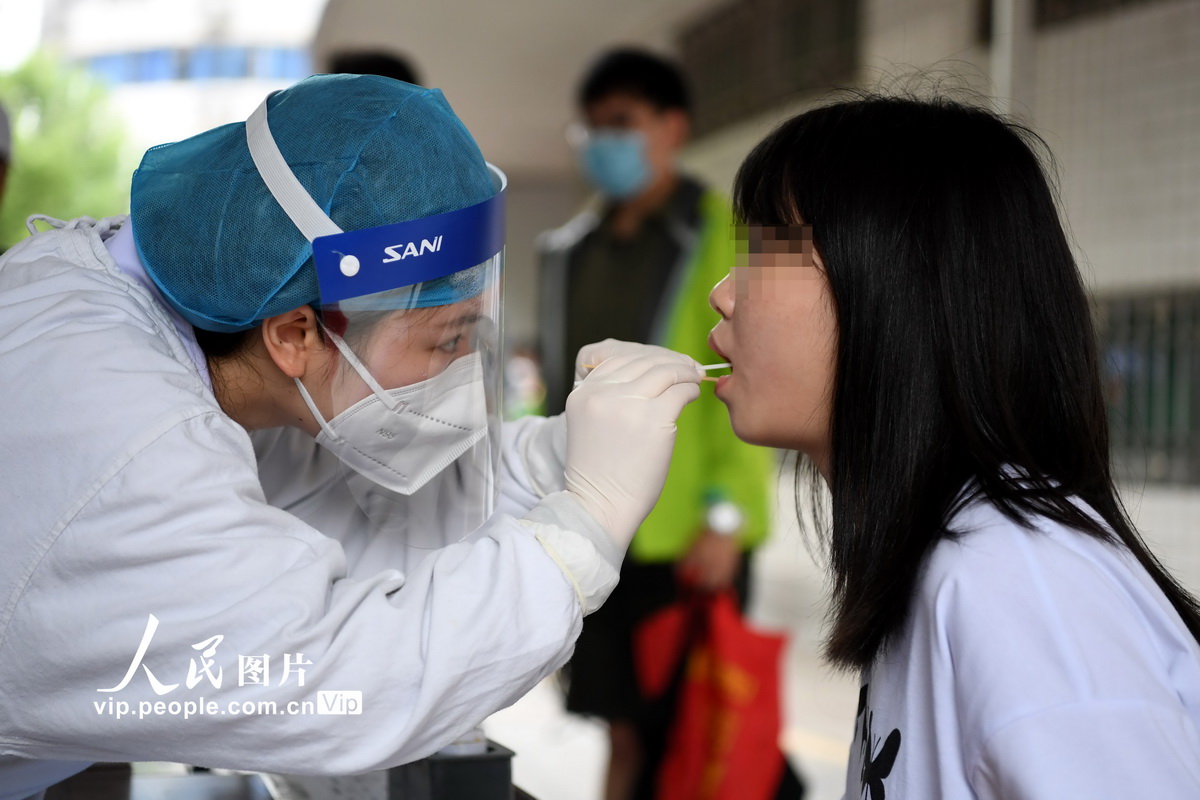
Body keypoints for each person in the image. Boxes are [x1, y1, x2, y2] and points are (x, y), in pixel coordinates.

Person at [0, 74, 706, 798]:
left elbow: (365, 516)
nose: (465, 368)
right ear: (295, 334)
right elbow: (341, 680)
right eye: (446, 340)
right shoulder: (124, 445)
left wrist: (562, 456)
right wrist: (581, 531)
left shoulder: (222, 342)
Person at [707, 94, 1200, 797]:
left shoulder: (1019, 580)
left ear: (895, 288)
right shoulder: (945, 556)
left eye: (767, 250)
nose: (724, 295)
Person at [538, 48, 774, 800]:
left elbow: (756, 378)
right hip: (598, 523)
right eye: (594, 127)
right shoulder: (569, 250)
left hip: (688, 536)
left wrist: (726, 518)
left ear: (672, 127)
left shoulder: (730, 234)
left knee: (693, 733)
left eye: (623, 124)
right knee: (620, 725)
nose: (605, 142)